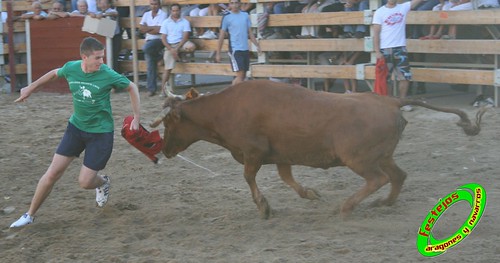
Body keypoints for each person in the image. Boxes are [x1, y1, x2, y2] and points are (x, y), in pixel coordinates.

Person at [9, 37, 141, 228]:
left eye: (102, 57)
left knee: (86, 182)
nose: (101, 61)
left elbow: (132, 87)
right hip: (76, 129)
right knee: (52, 173)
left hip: (100, 134)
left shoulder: (107, 74)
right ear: (84, 57)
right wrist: (31, 88)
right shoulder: (71, 68)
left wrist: (136, 118)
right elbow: (54, 74)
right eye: (97, 58)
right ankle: (29, 215)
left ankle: (102, 182)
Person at [372, 0, 425, 112]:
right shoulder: (379, 12)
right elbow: (376, 33)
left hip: (400, 48)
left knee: (405, 76)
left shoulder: (403, 7)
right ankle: (390, 102)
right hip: (385, 48)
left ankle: (402, 101)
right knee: (386, 78)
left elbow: (417, 1)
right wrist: (377, 51)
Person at [215, 0, 260, 85]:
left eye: (236, 3)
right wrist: (218, 53)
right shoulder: (227, 17)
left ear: (240, 3)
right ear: (229, 4)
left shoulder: (245, 15)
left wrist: (257, 45)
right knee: (240, 75)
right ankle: (233, 95)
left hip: (245, 48)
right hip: (235, 49)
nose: (235, 5)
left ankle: (233, 94)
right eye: (232, 3)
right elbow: (221, 36)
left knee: (243, 76)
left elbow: (250, 32)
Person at [159, 3, 196, 95]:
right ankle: (163, 90)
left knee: (191, 46)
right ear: (171, 11)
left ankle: (179, 54)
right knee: (167, 69)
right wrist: (171, 49)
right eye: (173, 10)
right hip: (170, 45)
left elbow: (185, 37)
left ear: (180, 11)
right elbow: (163, 38)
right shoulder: (165, 22)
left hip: (181, 44)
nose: (175, 12)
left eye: (177, 10)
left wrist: (176, 49)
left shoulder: (185, 22)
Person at [139, 0, 168, 96]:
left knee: (146, 48)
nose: (154, 6)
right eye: (152, 4)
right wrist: (152, 28)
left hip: (159, 40)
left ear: (159, 5)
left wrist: (148, 29)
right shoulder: (146, 14)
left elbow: (160, 30)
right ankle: (160, 57)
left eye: (155, 4)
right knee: (150, 65)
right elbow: (141, 29)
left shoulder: (163, 14)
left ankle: (151, 89)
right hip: (149, 40)